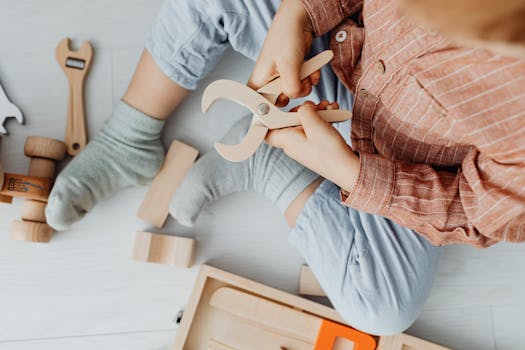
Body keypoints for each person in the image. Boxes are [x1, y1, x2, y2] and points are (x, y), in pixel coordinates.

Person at [45, 0, 525, 335]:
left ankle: (273, 167)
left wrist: (355, 175)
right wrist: (298, 11)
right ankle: (128, 137)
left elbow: (476, 209)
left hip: (401, 165)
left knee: (384, 307)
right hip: (335, 52)